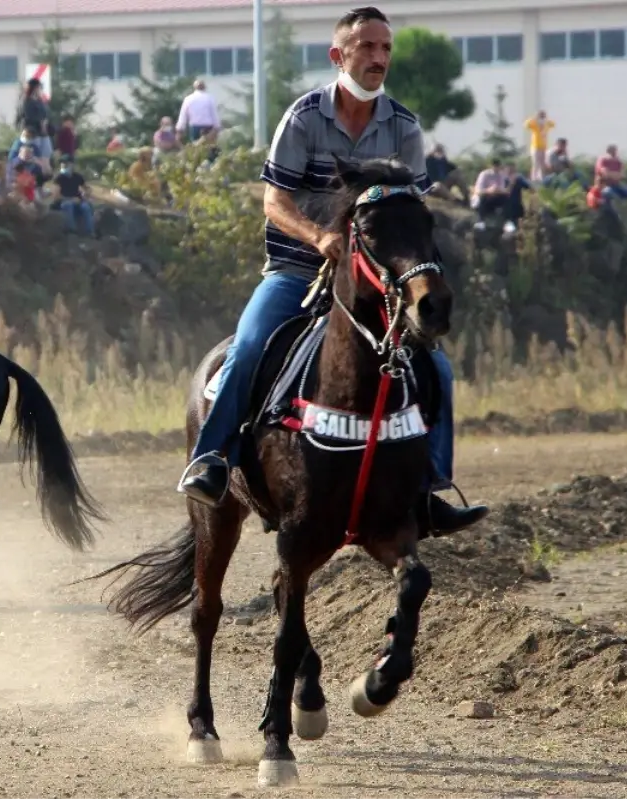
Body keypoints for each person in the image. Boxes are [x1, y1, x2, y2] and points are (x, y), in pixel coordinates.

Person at [176, 6, 488, 536]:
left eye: (385, 48)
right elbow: (274, 202)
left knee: (439, 370)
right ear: (338, 55)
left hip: (373, 282)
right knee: (248, 348)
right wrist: (320, 236)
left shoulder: (405, 127)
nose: (378, 57)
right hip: (297, 270)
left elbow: (409, 214)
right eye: (366, 46)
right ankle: (211, 461)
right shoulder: (303, 117)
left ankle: (430, 488)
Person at [54, 155, 94, 236]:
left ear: (71, 164)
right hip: (65, 201)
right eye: (62, 163)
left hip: (78, 200)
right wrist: (71, 199)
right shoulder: (59, 178)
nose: (63, 165)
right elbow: (56, 196)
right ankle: (71, 231)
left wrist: (86, 193)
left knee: (86, 207)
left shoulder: (77, 176)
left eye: (65, 163)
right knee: (68, 205)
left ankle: (89, 232)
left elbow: (87, 188)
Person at [524, 111, 554, 182]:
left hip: (543, 147)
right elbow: (526, 125)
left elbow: (553, 124)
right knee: (536, 163)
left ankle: (541, 178)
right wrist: (534, 119)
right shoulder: (535, 124)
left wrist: (547, 120)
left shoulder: (546, 125)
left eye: (543, 116)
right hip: (535, 147)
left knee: (542, 164)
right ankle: (534, 178)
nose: (542, 118)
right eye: (541, 116)